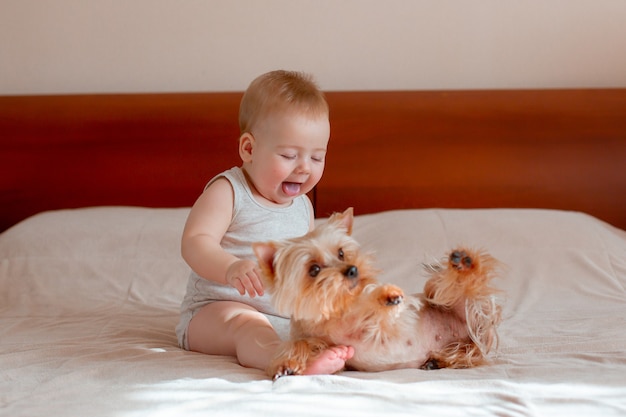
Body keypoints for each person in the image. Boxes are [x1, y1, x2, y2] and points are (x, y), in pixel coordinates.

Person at [175, 70, 354, 375]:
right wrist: (230, 267)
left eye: (316, 158)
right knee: (248, 325)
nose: (303, 169)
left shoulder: (303, 206)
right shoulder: (229, 192)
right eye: (288, 155)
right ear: (249, 149)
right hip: (215, 312)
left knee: (337, 322)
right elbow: (195, 242)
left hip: (284, 320)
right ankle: (286, 362)